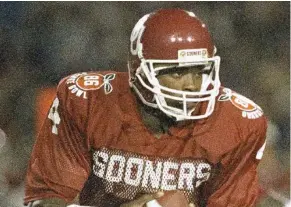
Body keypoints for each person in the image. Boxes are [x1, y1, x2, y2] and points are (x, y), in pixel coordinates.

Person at [24, 8, 267, 207]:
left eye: (200, 71)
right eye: (176, 72)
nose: (192, 85)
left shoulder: (238, 122)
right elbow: (47, 201)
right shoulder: (87, 103)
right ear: (140, 72)